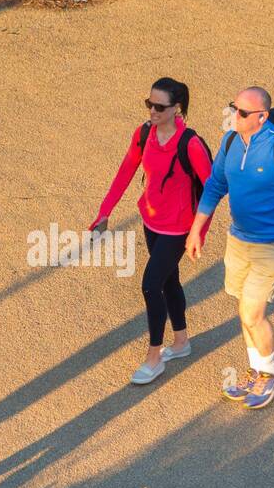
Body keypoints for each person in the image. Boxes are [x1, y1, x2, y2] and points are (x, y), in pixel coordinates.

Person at [186, 86, 274, 409]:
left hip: (272, 246)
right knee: (242, 309)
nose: (234, 116)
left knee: (251, 311)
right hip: (238, 241)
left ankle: (272, 372)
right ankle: (256, 370)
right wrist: (196, 229)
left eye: (242, 112)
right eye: (233, 108)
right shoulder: (230, 141)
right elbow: (216, 185)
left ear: (262, 117)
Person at [90, 77, 213, 385]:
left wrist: (199, 230)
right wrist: (105, 211)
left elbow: (213, 188)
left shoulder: (191, 145)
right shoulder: (144, 134)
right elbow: (126, 169)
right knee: (169, 281)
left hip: (177, 230)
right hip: (151, 221)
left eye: (159, 106)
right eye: (149, 104)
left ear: (177, 109)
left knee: (150, 285)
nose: (152, 111)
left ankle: (154, 357)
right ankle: (182, 342)